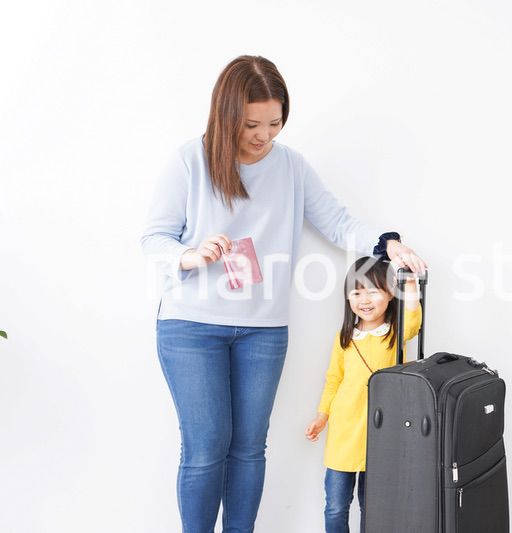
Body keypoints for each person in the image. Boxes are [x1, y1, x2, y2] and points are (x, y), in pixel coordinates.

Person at [140, 55, 426, 533]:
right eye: (252, 124)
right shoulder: (189, 161)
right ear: (226, 113)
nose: (264, 135)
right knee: (207, 445)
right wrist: (190, 256)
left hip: (263, 330)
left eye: (275, 123)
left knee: (250, 446)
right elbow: (154, 238)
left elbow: (338, 221)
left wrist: (388, 243)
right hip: (191, 325)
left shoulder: (290, 166)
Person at [305, 257, 422, 533]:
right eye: (357, 292)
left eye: (373, 290)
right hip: (344, 432)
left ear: (391, 294)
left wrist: (411, 285)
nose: (364, 299)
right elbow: (334, 379)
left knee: (374, 506)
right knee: (335, 506)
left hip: (382, 431)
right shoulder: (344, 337)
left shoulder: (395, 332)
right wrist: (322, 416)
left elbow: (414, 317)